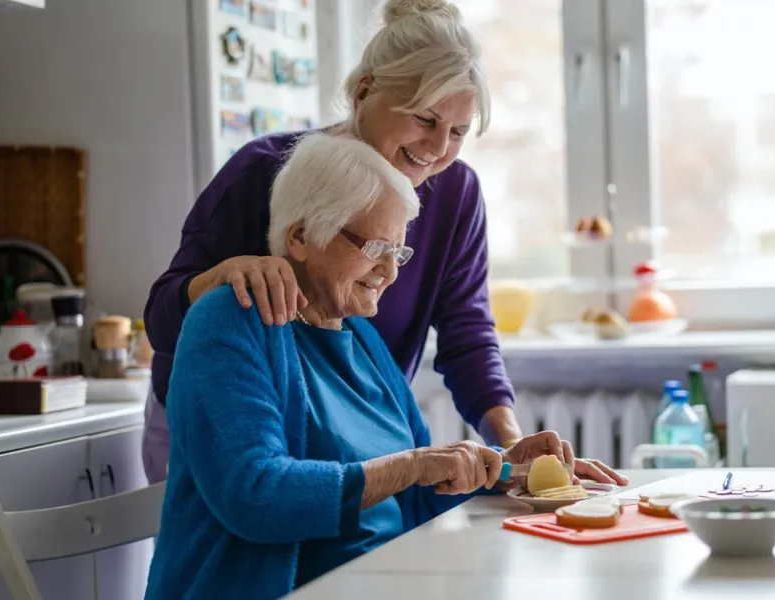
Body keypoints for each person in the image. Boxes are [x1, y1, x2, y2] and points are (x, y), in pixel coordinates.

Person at [142, 0, 627, 486]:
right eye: (424, 118)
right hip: (226, 434)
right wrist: (221, 276)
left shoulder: (455, 194)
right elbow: (162, 320)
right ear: (364, 91)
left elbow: (467, 333)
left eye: (458, 131)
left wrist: (508, 444)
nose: (438, 149)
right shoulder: (262, 171)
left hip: (347, 440)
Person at [145, 133, 578, 599]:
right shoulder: (230, 321)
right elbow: (256, 494)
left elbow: (420, 491)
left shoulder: (362, 339)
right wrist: (411, 466)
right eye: (374, 248)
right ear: (301, 235)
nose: (390, 272)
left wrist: (509, 470)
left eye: (398, 252)